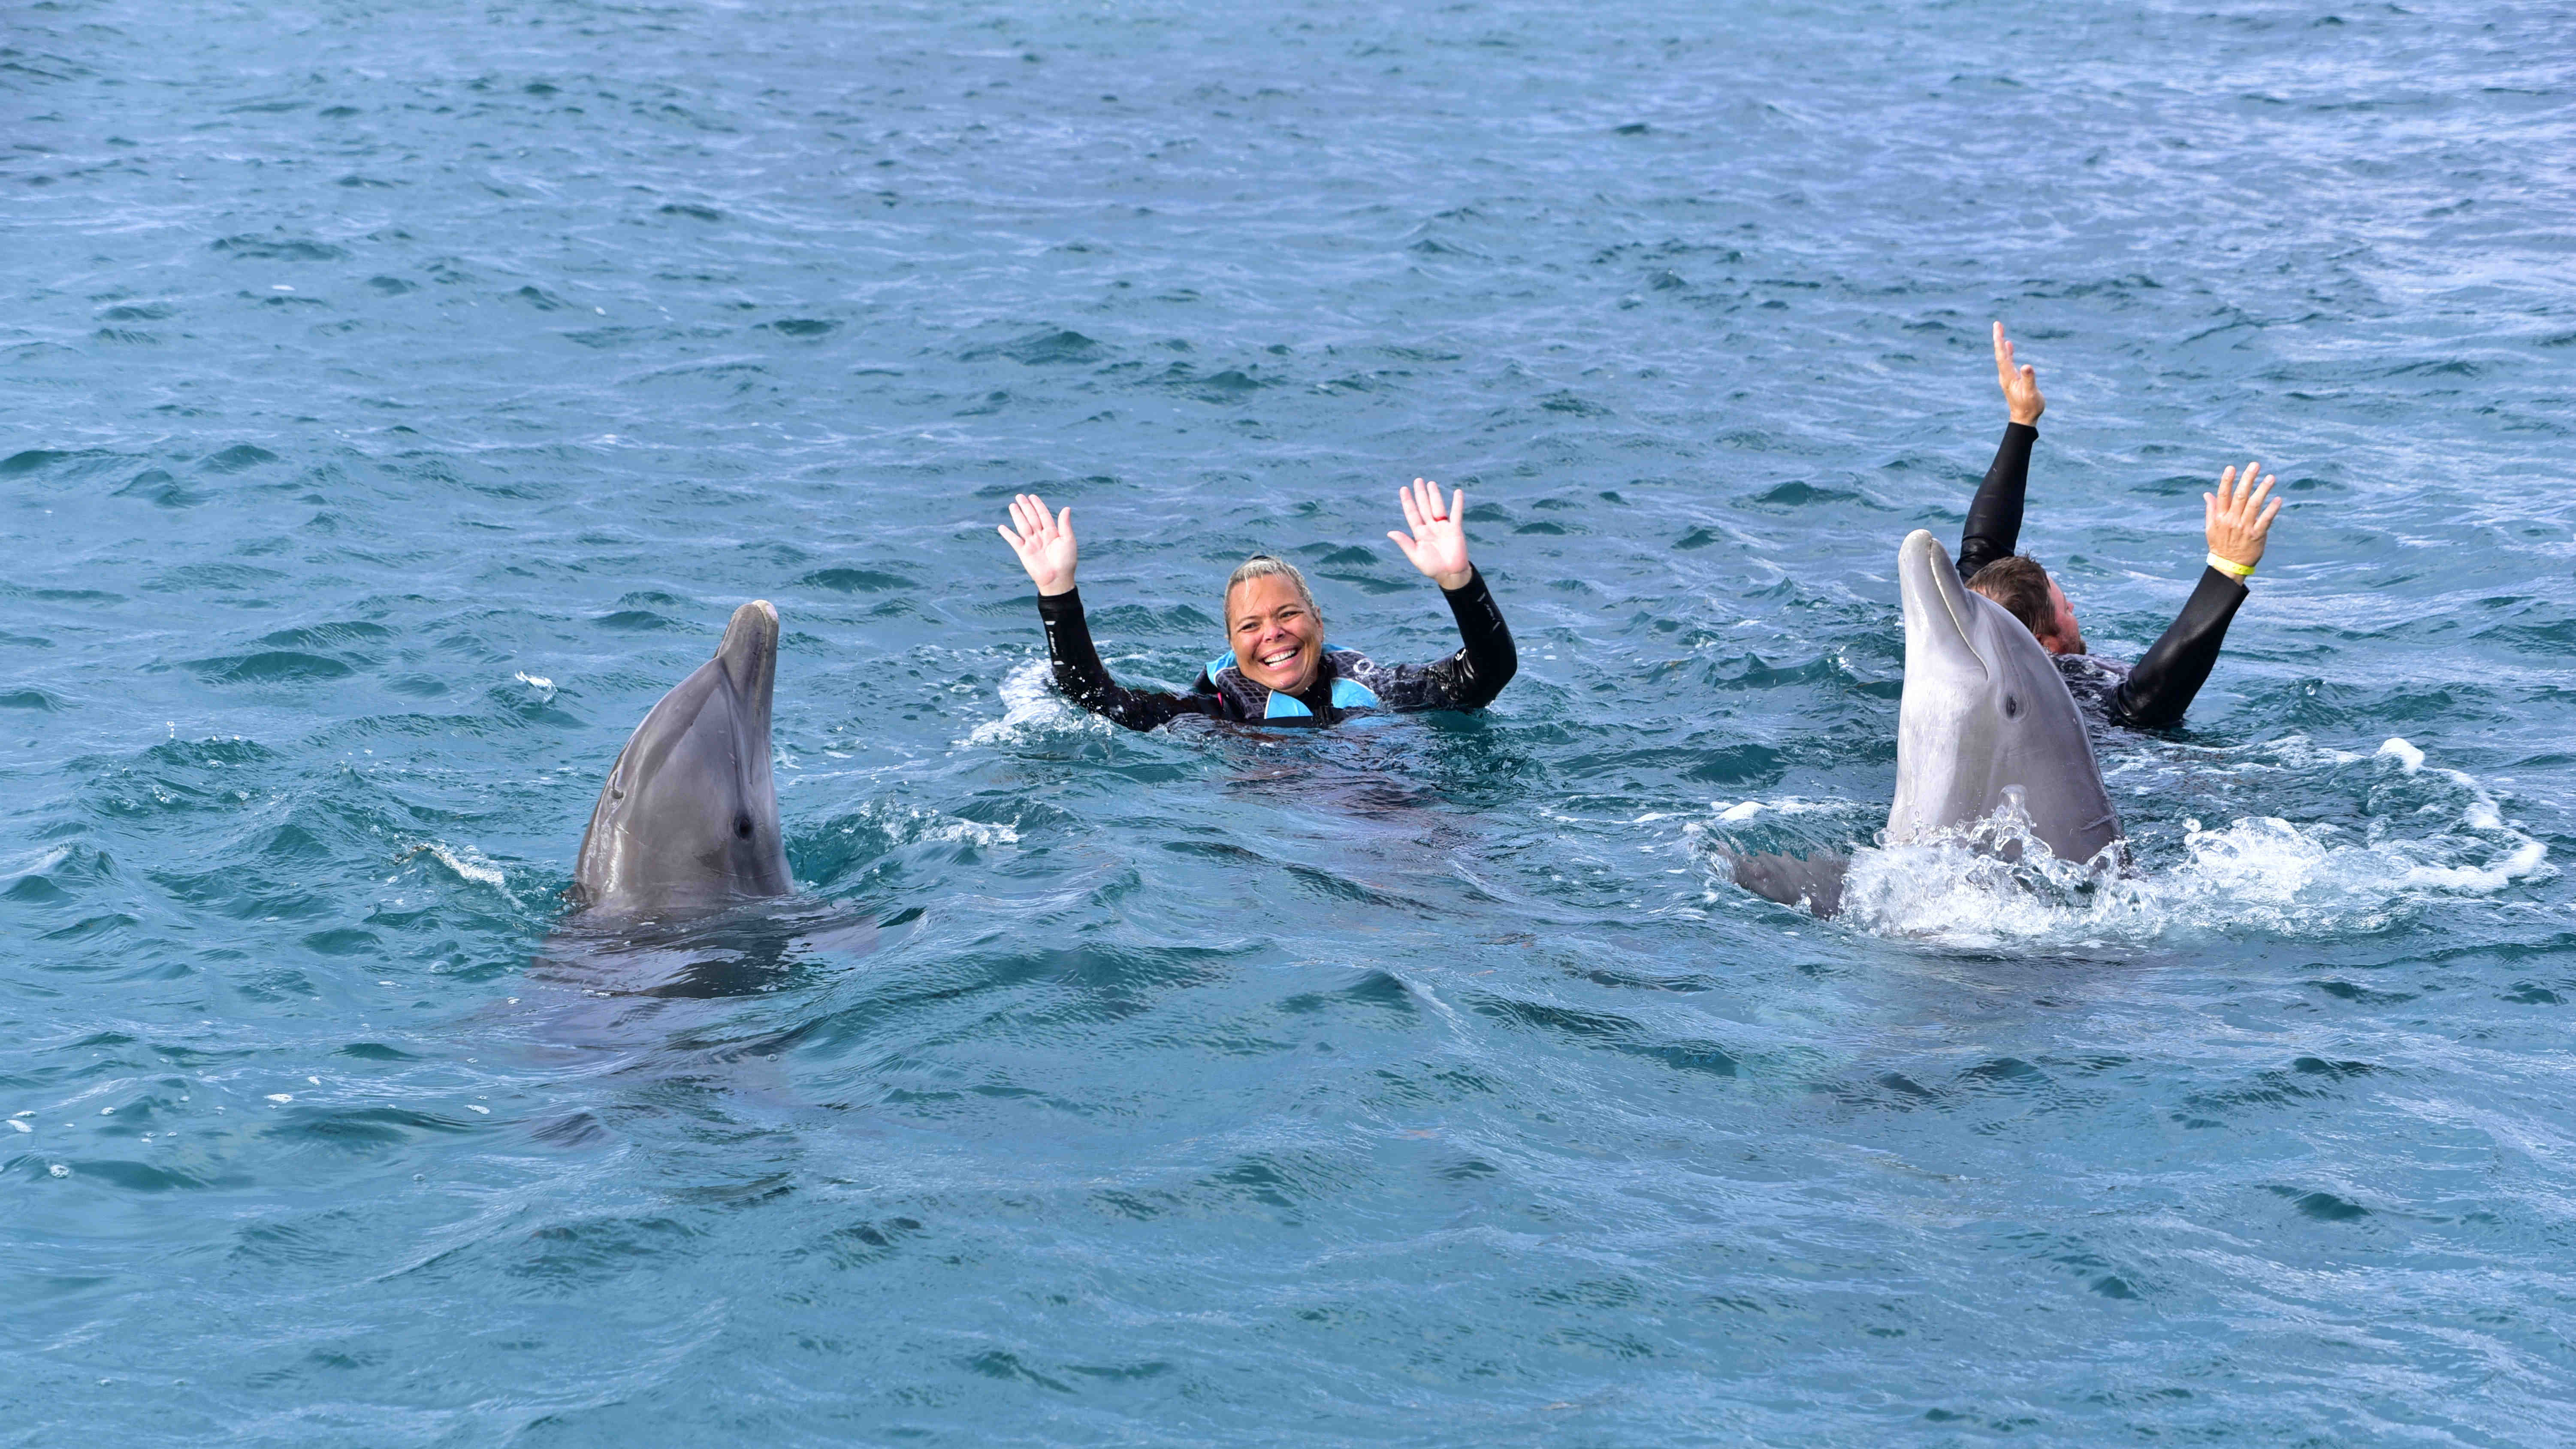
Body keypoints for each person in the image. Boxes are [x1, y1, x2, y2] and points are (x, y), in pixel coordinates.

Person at [1956, 322, 2282, 729]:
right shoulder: (2070, 694)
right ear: (2042, 645)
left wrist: (2022, 421)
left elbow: (1981, 553)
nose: (2072, 607)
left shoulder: (1977, 641)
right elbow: (2144, 700)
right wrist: (2228, 567)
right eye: (2063, 608)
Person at [996, 478, 1517, 730]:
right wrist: (1057, 594)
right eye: (1251, 624)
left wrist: (1457, 580)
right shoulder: (1217, 714)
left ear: (1318, 620)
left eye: (1288, 614)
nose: (1273, 633)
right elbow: (1097, 698)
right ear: (1231, 645)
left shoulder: (1378, 687)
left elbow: (1489, 670)